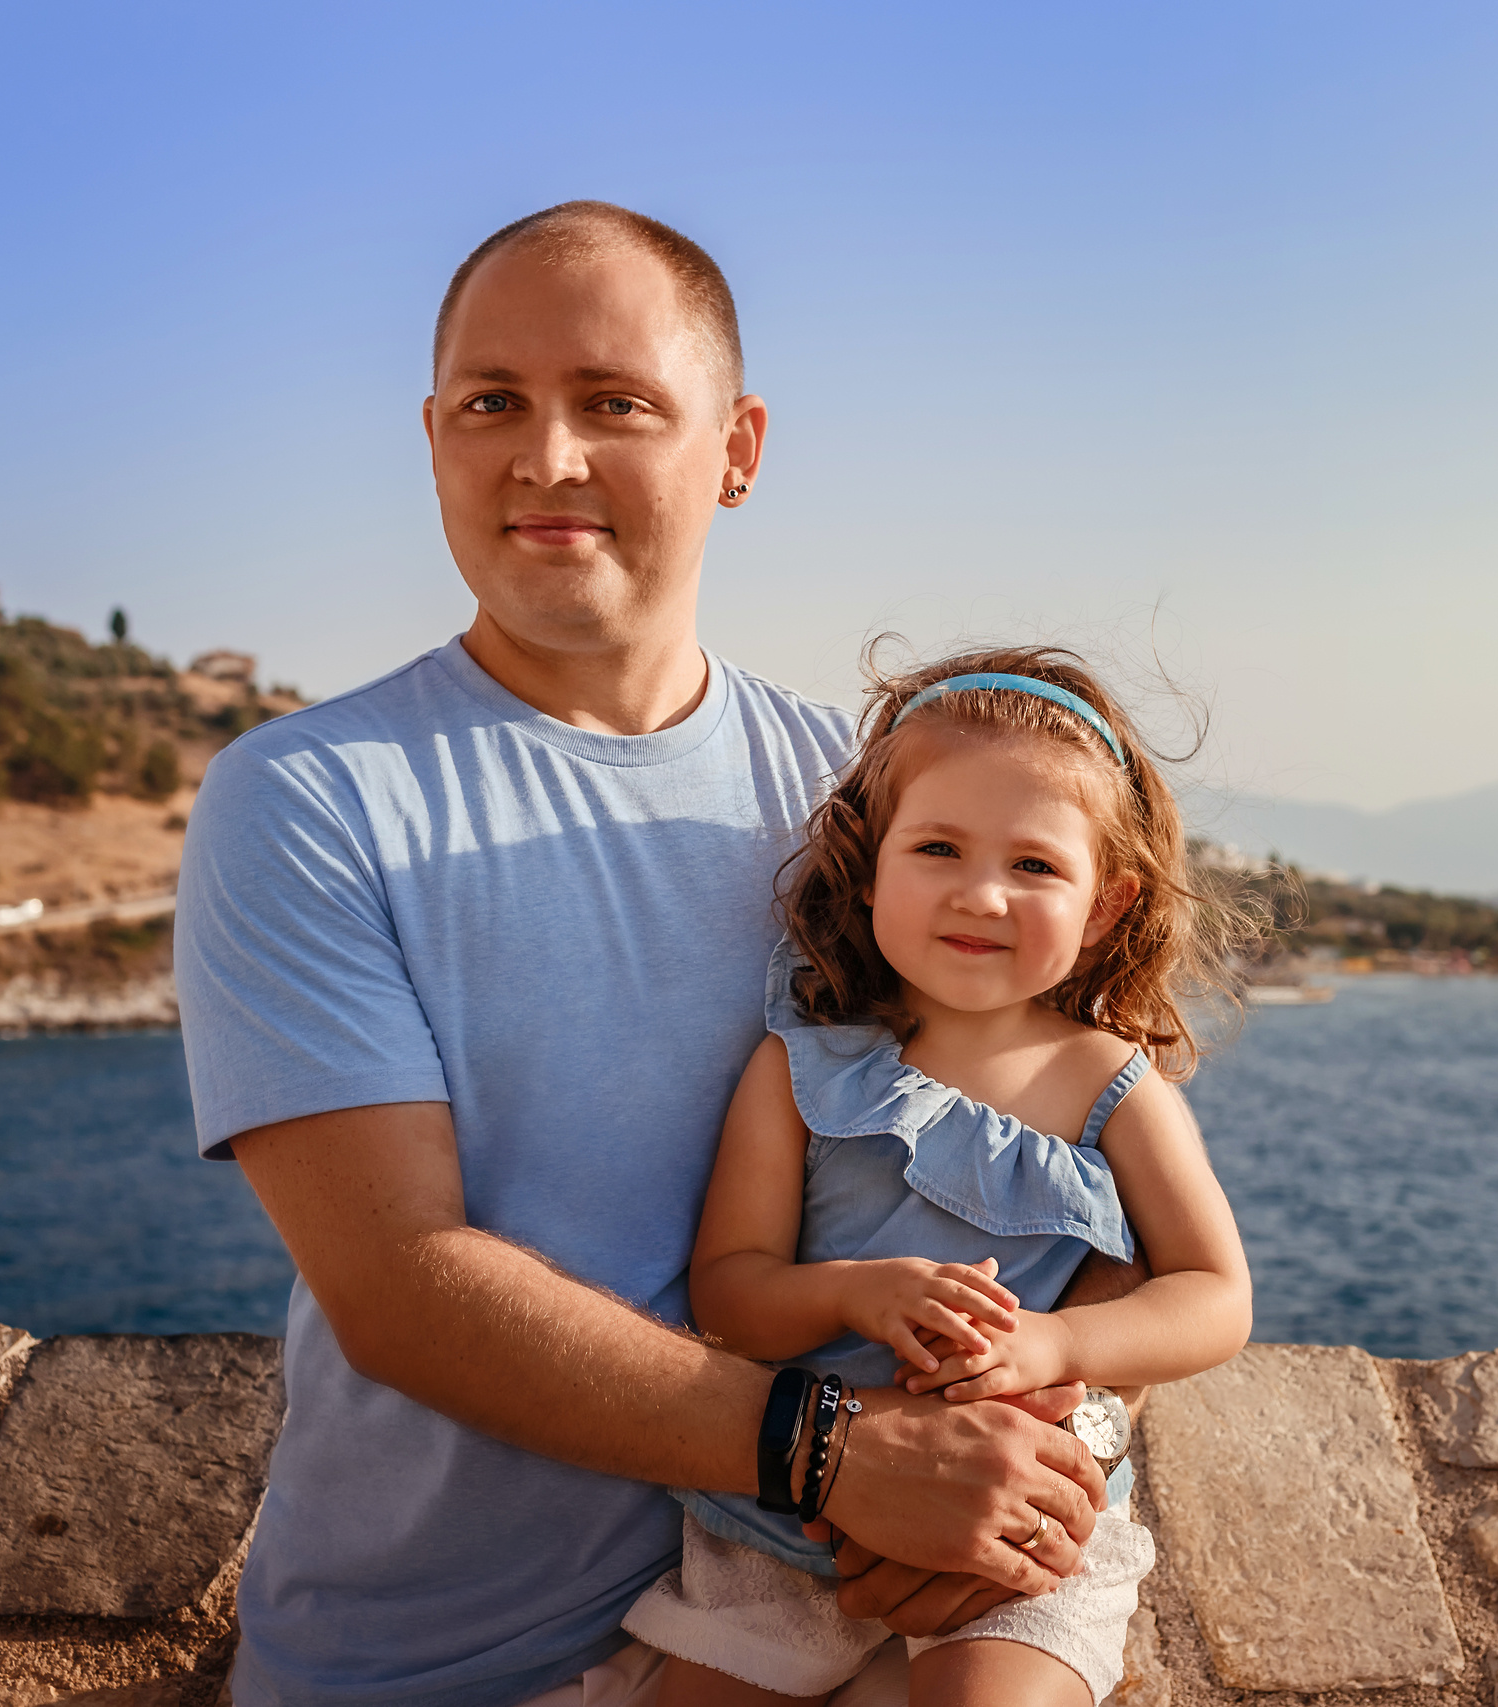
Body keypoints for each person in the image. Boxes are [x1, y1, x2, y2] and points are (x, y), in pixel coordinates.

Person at [175, 203, 1126, 1707]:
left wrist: (1029, 1465)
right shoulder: (310, 795)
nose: (546, 456)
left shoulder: (873, 810)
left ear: (738, 449)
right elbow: (400, 1282)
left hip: (826, 1627)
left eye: (614, 403)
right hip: (439, 1665)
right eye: (494, 403)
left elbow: (1071, 1133)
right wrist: (843, 1455)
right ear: (434, 438)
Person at [619, 650, 1255, 1706]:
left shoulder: (1113, 1088)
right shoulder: (798, 1069)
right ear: (869, 871)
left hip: (1024, 1518)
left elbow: (1212, 1297)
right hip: (785, 1520)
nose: (981, 894)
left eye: (1037, 867)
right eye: (939, 848)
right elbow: (728, 1294)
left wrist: (1057, 1341)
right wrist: (851, 1293)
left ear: (1106, 905)